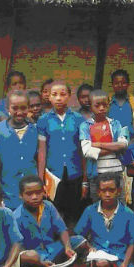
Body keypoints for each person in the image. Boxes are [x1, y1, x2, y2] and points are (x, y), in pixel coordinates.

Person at [74, 173, 134, 267]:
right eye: (103, 190)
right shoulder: (90, 211)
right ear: (98, 192)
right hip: (100, 256)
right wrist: (89, 247)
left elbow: (132, 242)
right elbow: (79, 235)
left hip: (120, 257)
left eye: (111, 190)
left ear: (118, 191)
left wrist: (125, 263)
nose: (107, 194)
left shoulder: (127, 213)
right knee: (102, 264)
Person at [13, 175, 87, 267]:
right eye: (29, 194)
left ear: (44, 191)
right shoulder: (16, 216)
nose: (34, 197)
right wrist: (39, 262)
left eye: (38, 192)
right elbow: (18, 251)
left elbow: (62, 229)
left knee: (81, 242)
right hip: (36, 257)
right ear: (21, 195)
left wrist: (67, 247)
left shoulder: (49, 206)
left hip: (52, 248)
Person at [37, 80, 87, 227]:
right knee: (55, 214)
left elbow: (82, 151)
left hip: (75, 173)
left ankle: (73, 245)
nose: (59, 98)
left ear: (69, 96)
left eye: (63, 94)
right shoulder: (43, 120)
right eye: (54, 94)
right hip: (53, 175)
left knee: (74, 214)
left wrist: (84, 180)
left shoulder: (78, 119)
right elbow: (42, 151)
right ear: (49, 97)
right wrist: (41, 180)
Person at [79, 89, 129, 201]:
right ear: (90, 106)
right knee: (98, 207)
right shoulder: (85, 126)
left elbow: (123, 144)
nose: (101, 108)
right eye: (97, 105)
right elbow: (87, 151)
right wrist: (114, 148)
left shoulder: (116, 124)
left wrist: (99, 144)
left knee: (119, 205)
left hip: (116, 173)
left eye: (105, 105)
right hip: (96, 174)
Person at [0, 90, 39, 210]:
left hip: (31, 188)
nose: (19, 112)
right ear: (7, 108)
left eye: (23, 108)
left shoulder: (35, 129)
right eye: (15, 108)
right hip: (8, 188)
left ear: (28, 108)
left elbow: (38, 158)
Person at [108, 70, 134, 136]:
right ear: (112, 85)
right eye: (116, 83)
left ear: (128, 84)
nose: (120, 85)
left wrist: (131, 143)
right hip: (110, 143)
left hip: (132, 142)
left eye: (123, 83)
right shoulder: (107, 103)